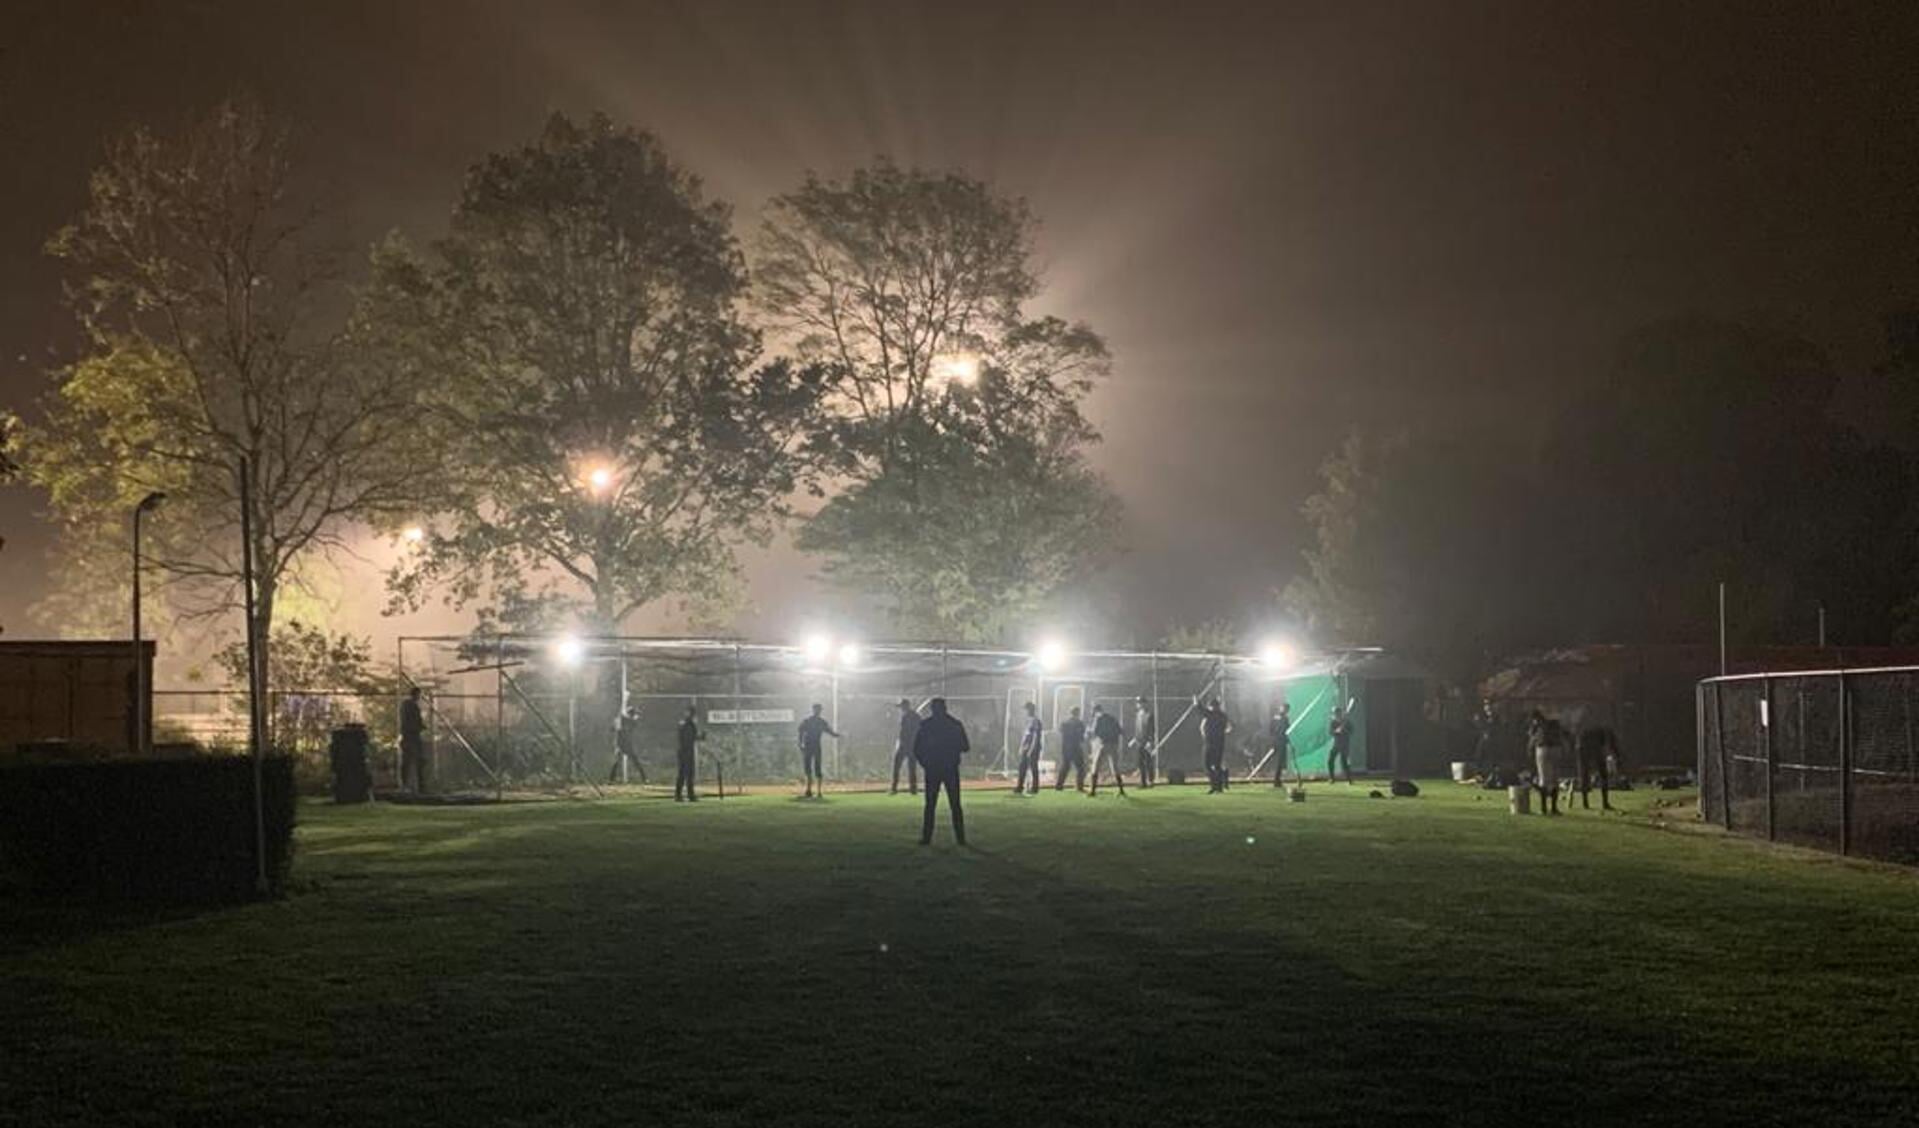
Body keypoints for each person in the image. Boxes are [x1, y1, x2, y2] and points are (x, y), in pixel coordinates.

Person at [912, 696, 969, 846]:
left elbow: (917, 749)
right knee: (955, 804)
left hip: (933, 769)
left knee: (930, 805)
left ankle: (927, 837)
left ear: (932, 709)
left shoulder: (927, 726)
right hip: (950, 768)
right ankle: (960, 838)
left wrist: (925, 763)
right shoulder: (955, 725)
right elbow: (965, 747)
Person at [1528, 709, 1568, 815]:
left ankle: (1543, 808)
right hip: (1556, 748)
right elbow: (1563, 736)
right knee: (1555, 779)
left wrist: (1529, 750)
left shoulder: (1537, 726)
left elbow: (1532, 739)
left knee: (1543, 780)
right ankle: (1554, 808)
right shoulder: (1555, 724)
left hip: (1543, 749)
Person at [1574, 723, 1619, 811]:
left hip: (1583, 744)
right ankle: (1604, 803)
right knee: (1601, 774)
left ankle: (1586, 803)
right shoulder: (1601, 720)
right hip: (1592, 744)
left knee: (1584, 774)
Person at [797, 704, 839, 798]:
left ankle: (817, 791)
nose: (818, 711)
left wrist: (837, 735)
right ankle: (810, 790)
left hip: (814, 746)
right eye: (817, 709)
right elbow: (800, 731)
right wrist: (800, 743)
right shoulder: (811, 721)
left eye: (818, 710)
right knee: (809, 768)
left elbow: (830, 732)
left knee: (816, 768)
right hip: (810, 746)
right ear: (814, 710)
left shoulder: (818, 721)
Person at [1089, 703, 1127, 796]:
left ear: (1095, 711)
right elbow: (1120, 731)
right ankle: (1121, 790)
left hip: (1103, 744)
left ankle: (1092, 791)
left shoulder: (1098, 718)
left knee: (1096, 766)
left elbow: (1094, 732)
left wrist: (1089, 731)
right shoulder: (1112, 718)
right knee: (1115, 768)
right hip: (1114, 744)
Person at [1197, 696, 1231, 793]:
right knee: (1217, 765)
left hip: (1210, 743)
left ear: (1212, 706)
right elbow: (1227, 727)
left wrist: (1197, 702)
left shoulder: (1211, 715)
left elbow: (1202, 711)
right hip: (1220, 744)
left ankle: (1214, 785)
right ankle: (1219, 787)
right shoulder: (1223, 716)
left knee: (1207, 765)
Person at [399, 686, 428, 793]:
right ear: (416, 694)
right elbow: (413, 721)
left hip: (408, 736)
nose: (420, 697)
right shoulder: (411, 706)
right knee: (416, 760)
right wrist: (420, 726)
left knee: (408, 761)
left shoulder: (406, 705)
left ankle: (408, 785)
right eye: (419, 695)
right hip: (411, 737)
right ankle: (419, 786)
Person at [1054, 705, 1088, 791]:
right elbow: (1081, 738)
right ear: (1078, 713)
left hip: (1066, 747)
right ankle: (1079, 786)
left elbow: (1060, 732)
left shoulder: (1065, 722)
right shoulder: (1080, 723)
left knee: (1065, 766)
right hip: (1076, 747)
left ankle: (1059, 785)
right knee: (1080, 768)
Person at [891, 699, 922, 796]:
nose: (901, 709)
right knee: (911, 767)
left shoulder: (908, 717)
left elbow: (904, 732)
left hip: (906, 745)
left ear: (905, 706)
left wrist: (902, 743)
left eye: (902, 707)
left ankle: (895, 788)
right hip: (911, 745)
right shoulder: (915, 716)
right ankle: (913, 789)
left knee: (898, 766)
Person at [608, 704, 644, 784]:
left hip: (625, 745)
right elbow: (614, 727)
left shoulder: (629, 721)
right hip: (621, 744)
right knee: (617, 762)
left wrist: (620, 718)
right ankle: (611, 779)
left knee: (634, 761)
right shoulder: (626, 720)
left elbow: (623, 721)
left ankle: (644, 778)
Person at [674, 705, 702, 802]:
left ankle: (690, 795)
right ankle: (679, 795)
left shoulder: (690, 724)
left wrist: (700, 737)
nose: (690, 715)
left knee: (689, 773)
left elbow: (692, 737)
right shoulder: (685, 724)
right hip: (684, 751)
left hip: (688, 751)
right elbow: (686, 738)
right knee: (683, 773)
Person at [1015, 701, 1044, 795]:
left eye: (1026, 709)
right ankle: (1019, 786)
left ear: (1030, 710)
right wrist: (1021, 746)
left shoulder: (1036, 721)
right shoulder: (1028, 721)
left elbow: (1036, 736)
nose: (1025, 712)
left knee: (1033, 767)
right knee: (1022, 767)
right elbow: (1025, 735)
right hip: (1026, 747)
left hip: (1033, 748)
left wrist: (1031, 749)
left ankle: (1035, 787)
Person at [1132, 696, 1157, 788]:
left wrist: (1150, 741)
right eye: (1138, 703)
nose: (1139, 704)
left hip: (1147, 741)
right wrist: (1134, 738)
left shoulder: (1149, 714)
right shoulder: (1138, 714)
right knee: (1140, 762)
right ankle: (1143, 782)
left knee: (1148, 762)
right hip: (1139, 741)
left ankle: (1150, 780)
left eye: (1141, 702)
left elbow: (1152, 729)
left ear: (1145, 703)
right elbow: (1137, 728)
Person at [1327, 706, 1355, 784]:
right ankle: (1332, 778)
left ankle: (1349, 779)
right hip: (1336, 744)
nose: (1335, 715)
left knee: (1344, 762)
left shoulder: (1347, 721)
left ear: (1340, 713)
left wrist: (1344, 730)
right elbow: (1331, 732)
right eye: (1335, 713)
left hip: (1345, 744)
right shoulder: (1333, 722)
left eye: (1337, 713)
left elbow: (1352, 731)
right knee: (1330, 760)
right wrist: (1336, 731)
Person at [1269, 701, 1293, 787]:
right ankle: (1276, 780)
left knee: (1279, 761)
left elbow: (1271, 729)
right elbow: (1285, 731)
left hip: (1276, 740)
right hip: (1280, 741)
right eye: (1286, 709)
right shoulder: (1284, 719)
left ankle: (1277, 779)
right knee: (1280, 761)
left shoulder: (1275, 717)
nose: (1286, 711)